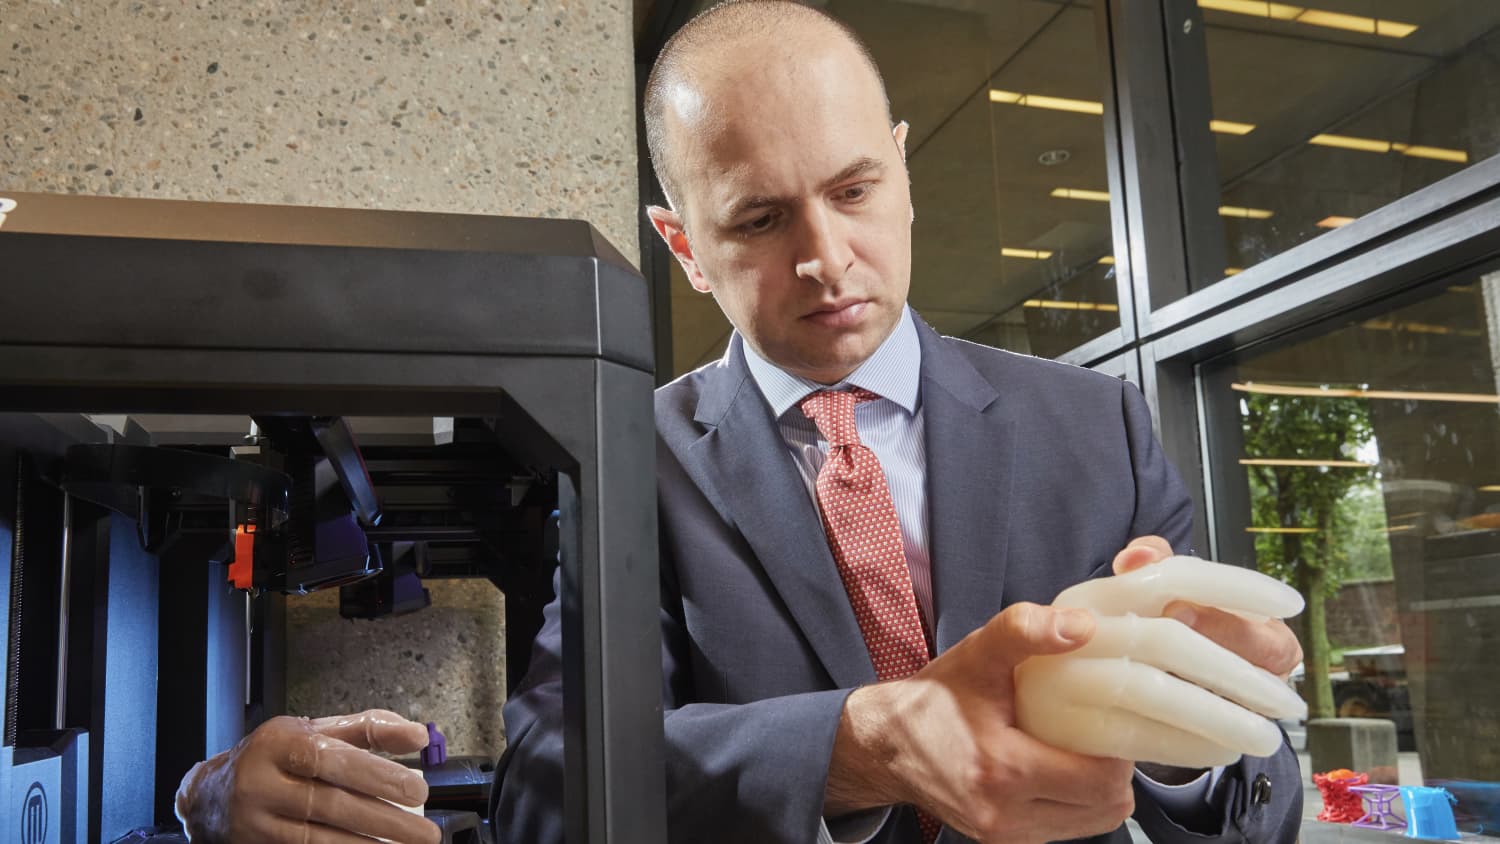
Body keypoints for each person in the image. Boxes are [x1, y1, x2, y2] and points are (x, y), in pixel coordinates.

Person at [176, 2, 1304, 842]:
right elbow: (548, 785)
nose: (824, 256)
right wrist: (859, 743)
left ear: (902, 172)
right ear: (684, 246)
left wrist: (1196, 738)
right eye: (761, 218)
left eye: (855, 190)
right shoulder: (629, 461)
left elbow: (1260, 792)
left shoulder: (1096, 424)